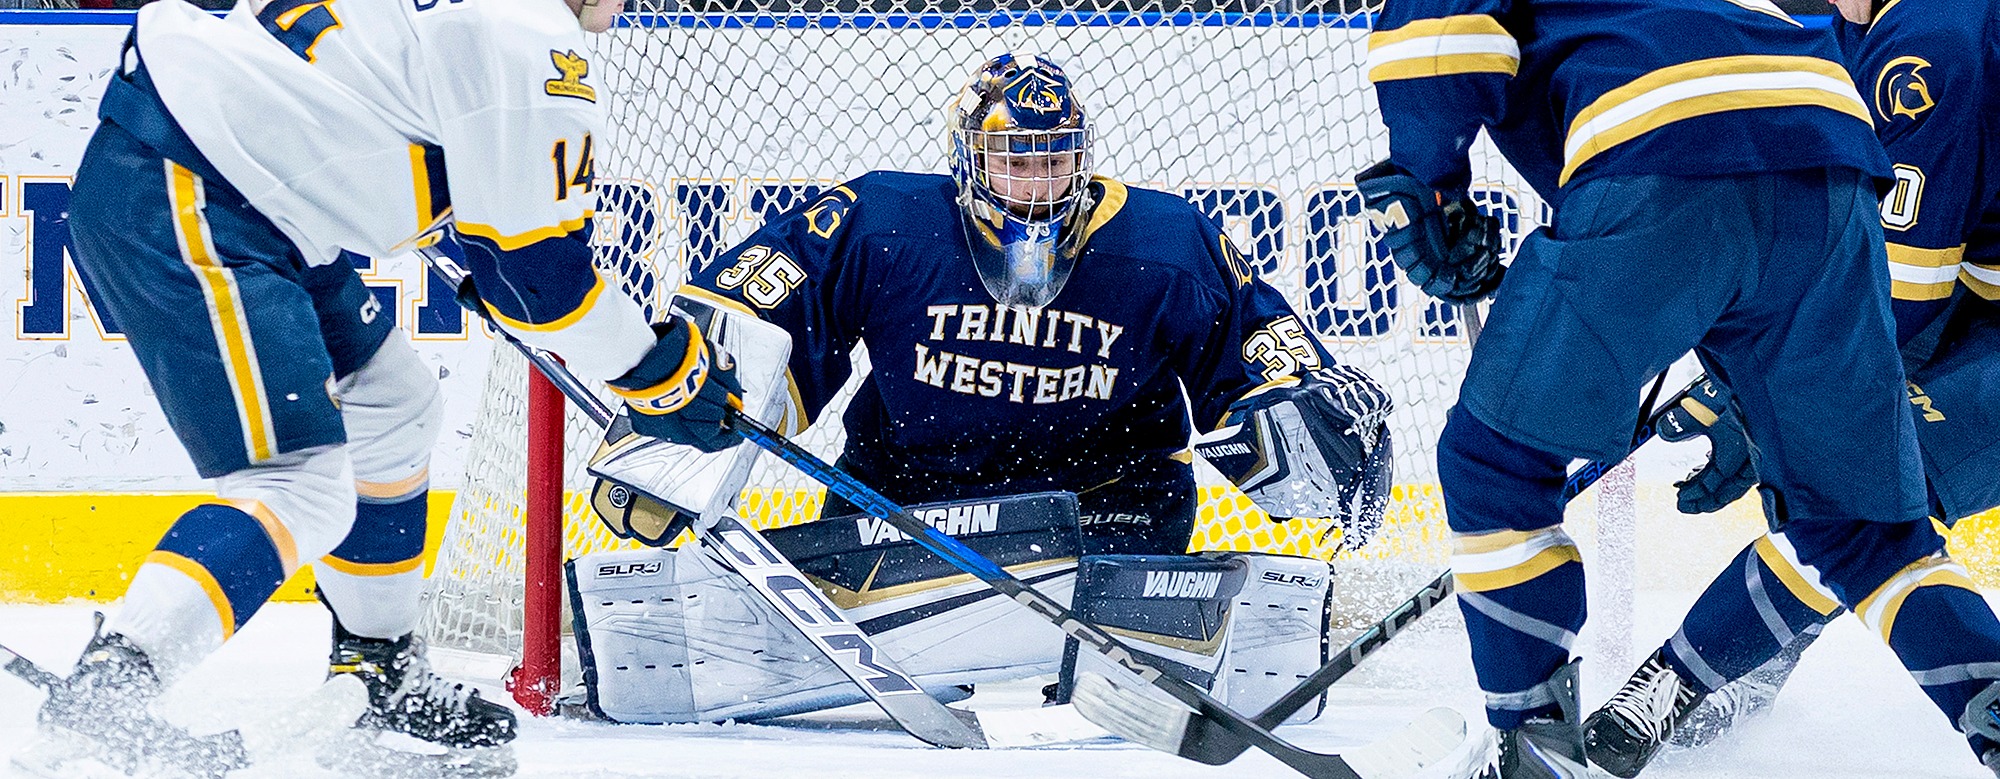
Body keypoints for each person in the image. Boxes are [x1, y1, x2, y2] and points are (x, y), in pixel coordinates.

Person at [573, 52, 1397, 722]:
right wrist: (663, 450)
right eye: (1015, 161)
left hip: (1108, 511)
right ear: (969, 159)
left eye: (1055, 159)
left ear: (1084, 157)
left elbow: (1261, 359)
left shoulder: (1168, 244)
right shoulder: (882, 222)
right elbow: (753, 314)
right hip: (907, 502)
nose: (1037, 183)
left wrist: (1308, 428)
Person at [51, 0, 715, 773]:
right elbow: (545, 283)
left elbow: (392, 121)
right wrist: (664, 372)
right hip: (193, 198)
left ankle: (379, 666)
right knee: (301, 486)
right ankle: (110, 684)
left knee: (393, 402)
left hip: (244, 192)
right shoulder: (529, 30)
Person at [1354, 0, 2000, 776]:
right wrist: (1754, 382)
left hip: (1662, 139)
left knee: (1489, 464)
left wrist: (1429, 190)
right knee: (1864, 524)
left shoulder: (1936, 35)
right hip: (1826, 137)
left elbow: (1435, 45)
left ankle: (1531, 751)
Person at [1580, 0, 2000, 775]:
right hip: (1979, 313)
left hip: (1972, 321)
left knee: (1861, 498)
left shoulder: (1932, 43)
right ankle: (1740, 667)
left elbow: (1894, 307)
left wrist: (1764, 393)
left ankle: (1678, 683)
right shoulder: (1873, 32)